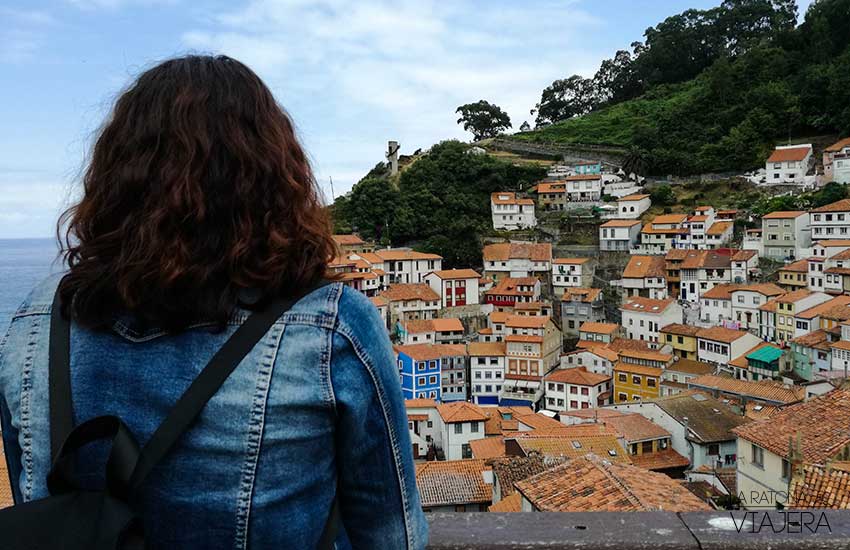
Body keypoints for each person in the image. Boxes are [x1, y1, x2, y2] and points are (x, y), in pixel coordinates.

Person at [0, 55, 427, 549]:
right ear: (275, 177)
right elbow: (392, 535)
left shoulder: (35, 322)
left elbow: (38, 493)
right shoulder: (330, 327)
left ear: (114, 178)